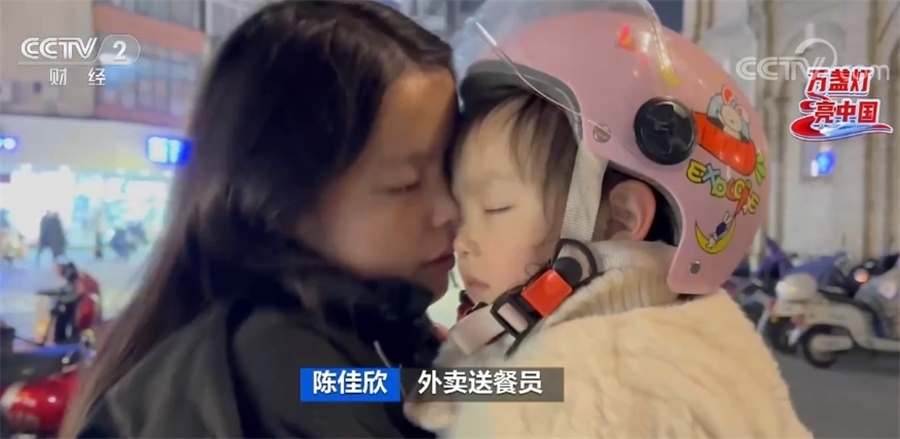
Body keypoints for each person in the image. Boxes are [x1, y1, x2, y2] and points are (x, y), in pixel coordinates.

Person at [405, 1, 811, 437]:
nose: (461, 242)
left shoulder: (579, 388)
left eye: (495, 208)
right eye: (462, 212)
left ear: (621, 220)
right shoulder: (696, 332)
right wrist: (362, 383)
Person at [60, 1, 458, 437]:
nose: (451, 210)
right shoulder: (282, 370)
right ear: (283, 204)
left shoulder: (358, 335)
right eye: (405, 184)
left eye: (452, 168)